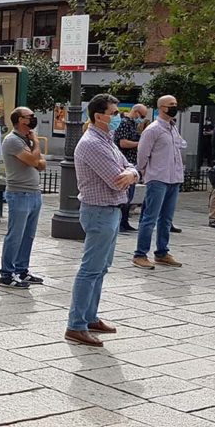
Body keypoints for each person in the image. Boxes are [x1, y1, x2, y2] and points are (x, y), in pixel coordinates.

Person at [65, 93, 139, 347]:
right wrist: (129, 174)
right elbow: (116, 178)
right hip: (99, 210)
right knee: (90, 269)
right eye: (115, 113)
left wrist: (132, 173)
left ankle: (89, 317)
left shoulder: (106, 139)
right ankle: (76, 325)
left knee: (101, 268)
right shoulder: (92, 144)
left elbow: (129, 168)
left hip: (110, 210)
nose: (118, 117)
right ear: (99, 116)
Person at [133, 95, 184, 269]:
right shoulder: (153, 129)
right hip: (158, 178)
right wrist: (145, 171)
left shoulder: (172, 128)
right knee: (150, 218)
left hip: (174, 178)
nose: (174, 107)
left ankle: (162, 252)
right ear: (162, 107)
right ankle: (140, 254)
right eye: (171, 105)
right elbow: (142, 154)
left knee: (166, 219)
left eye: (175, 104)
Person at [0, 107, 45, 288]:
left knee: (28, 235)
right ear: (20, 120)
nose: (33, 119)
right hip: (19, 193)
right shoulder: (12, 140)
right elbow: (35, 161)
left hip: (34, 192)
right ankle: (6, 274)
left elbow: (42, 165)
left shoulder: (26, 140)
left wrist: (34, 148)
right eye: (30, 116)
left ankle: (22, 270)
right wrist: (36, 143)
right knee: (15, 235)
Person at [113, 103, 148, 232]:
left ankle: (125, 221)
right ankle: (121, 222)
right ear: (136, 112)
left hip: (132, 163)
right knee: (126, 195)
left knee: (130, 196)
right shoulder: (125, 123)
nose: (142, 118)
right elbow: (123, 142)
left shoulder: (133, 124)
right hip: (125, 162)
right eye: (142, 115)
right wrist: (140, 144)